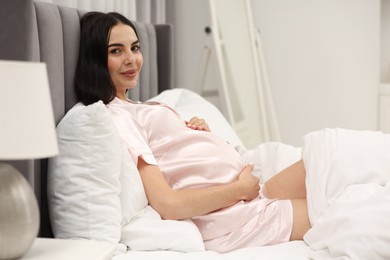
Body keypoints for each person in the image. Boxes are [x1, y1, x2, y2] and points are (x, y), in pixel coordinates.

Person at [74, 11, 311, 253]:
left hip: (249, 196)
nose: (131, 59)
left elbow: (171, 154)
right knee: (334, 195)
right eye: (116, 51)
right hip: (230, 218)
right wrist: (238, 190)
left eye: (134, 48)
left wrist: (196, 135)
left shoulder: (136, 107)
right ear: (95, 59)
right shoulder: (116, 115)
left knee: (324, 160)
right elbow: (167, 204)